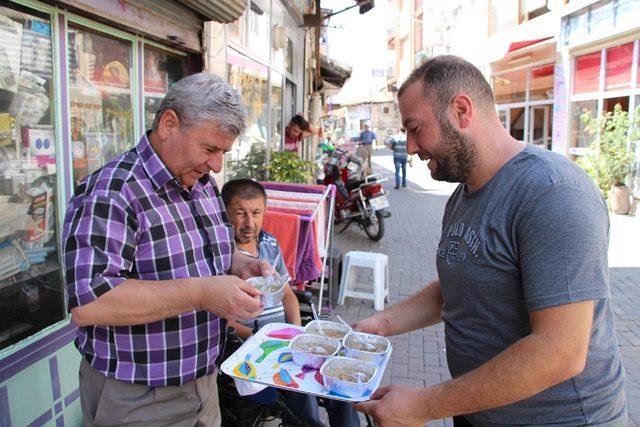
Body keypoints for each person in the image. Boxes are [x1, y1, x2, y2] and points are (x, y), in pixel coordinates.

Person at [352, 55, 627, 426]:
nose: (411, 147)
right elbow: (459, 286)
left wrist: (423, 406)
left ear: (461, 110)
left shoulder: (553, 194)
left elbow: (561, 351)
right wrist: (381, 324)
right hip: (478, 412)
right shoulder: (462, 197)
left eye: (415, 128)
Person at [63, 73, 272, 427]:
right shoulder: (112, 192)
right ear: (169, 124)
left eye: (223, 152)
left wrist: (237, 263)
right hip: (137, 398)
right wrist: (202, 293)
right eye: (210, 149)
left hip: (204, 385)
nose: (217, 165)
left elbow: (187, 253)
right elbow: (89, 303)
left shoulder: (202, 182)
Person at [221, 179, 360, 427]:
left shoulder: (270, 244)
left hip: (285, 337)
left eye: (256, 213)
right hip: (251, 343)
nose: (249, 223)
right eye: (240, 213)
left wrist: (297, 334)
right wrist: (256, 335)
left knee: (338, 380)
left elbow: (288, 295)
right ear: (225, 213)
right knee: (299, 382)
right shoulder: (218, 253)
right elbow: (220, 319)